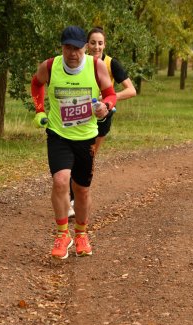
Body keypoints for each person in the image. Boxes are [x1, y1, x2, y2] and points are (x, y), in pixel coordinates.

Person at [31, 26, 117, 259]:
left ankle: (81, 233)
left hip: (86, 137)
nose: (73, 53)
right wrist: (39, 110)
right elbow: (36, 84)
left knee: (81, 189)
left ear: (85, 48)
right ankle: (62, 235)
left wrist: (105, 108)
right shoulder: (50, 66)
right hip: (59, 135)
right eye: (68, 48)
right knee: (60, 181)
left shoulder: (95, 66)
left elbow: (111, 94)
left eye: (77, 48)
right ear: (62, 47)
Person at [67, 26, 137, 217]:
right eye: (92, 43)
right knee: (72, 155)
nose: (96, 47)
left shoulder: (111, 63)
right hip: (79, 114)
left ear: (105, 45)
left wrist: (108, 100)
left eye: (100, 43)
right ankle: (70, 199)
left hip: (102, 117)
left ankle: (75, 199)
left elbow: (131, 90)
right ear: (86, 45)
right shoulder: (77, 62)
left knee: (87, 157)